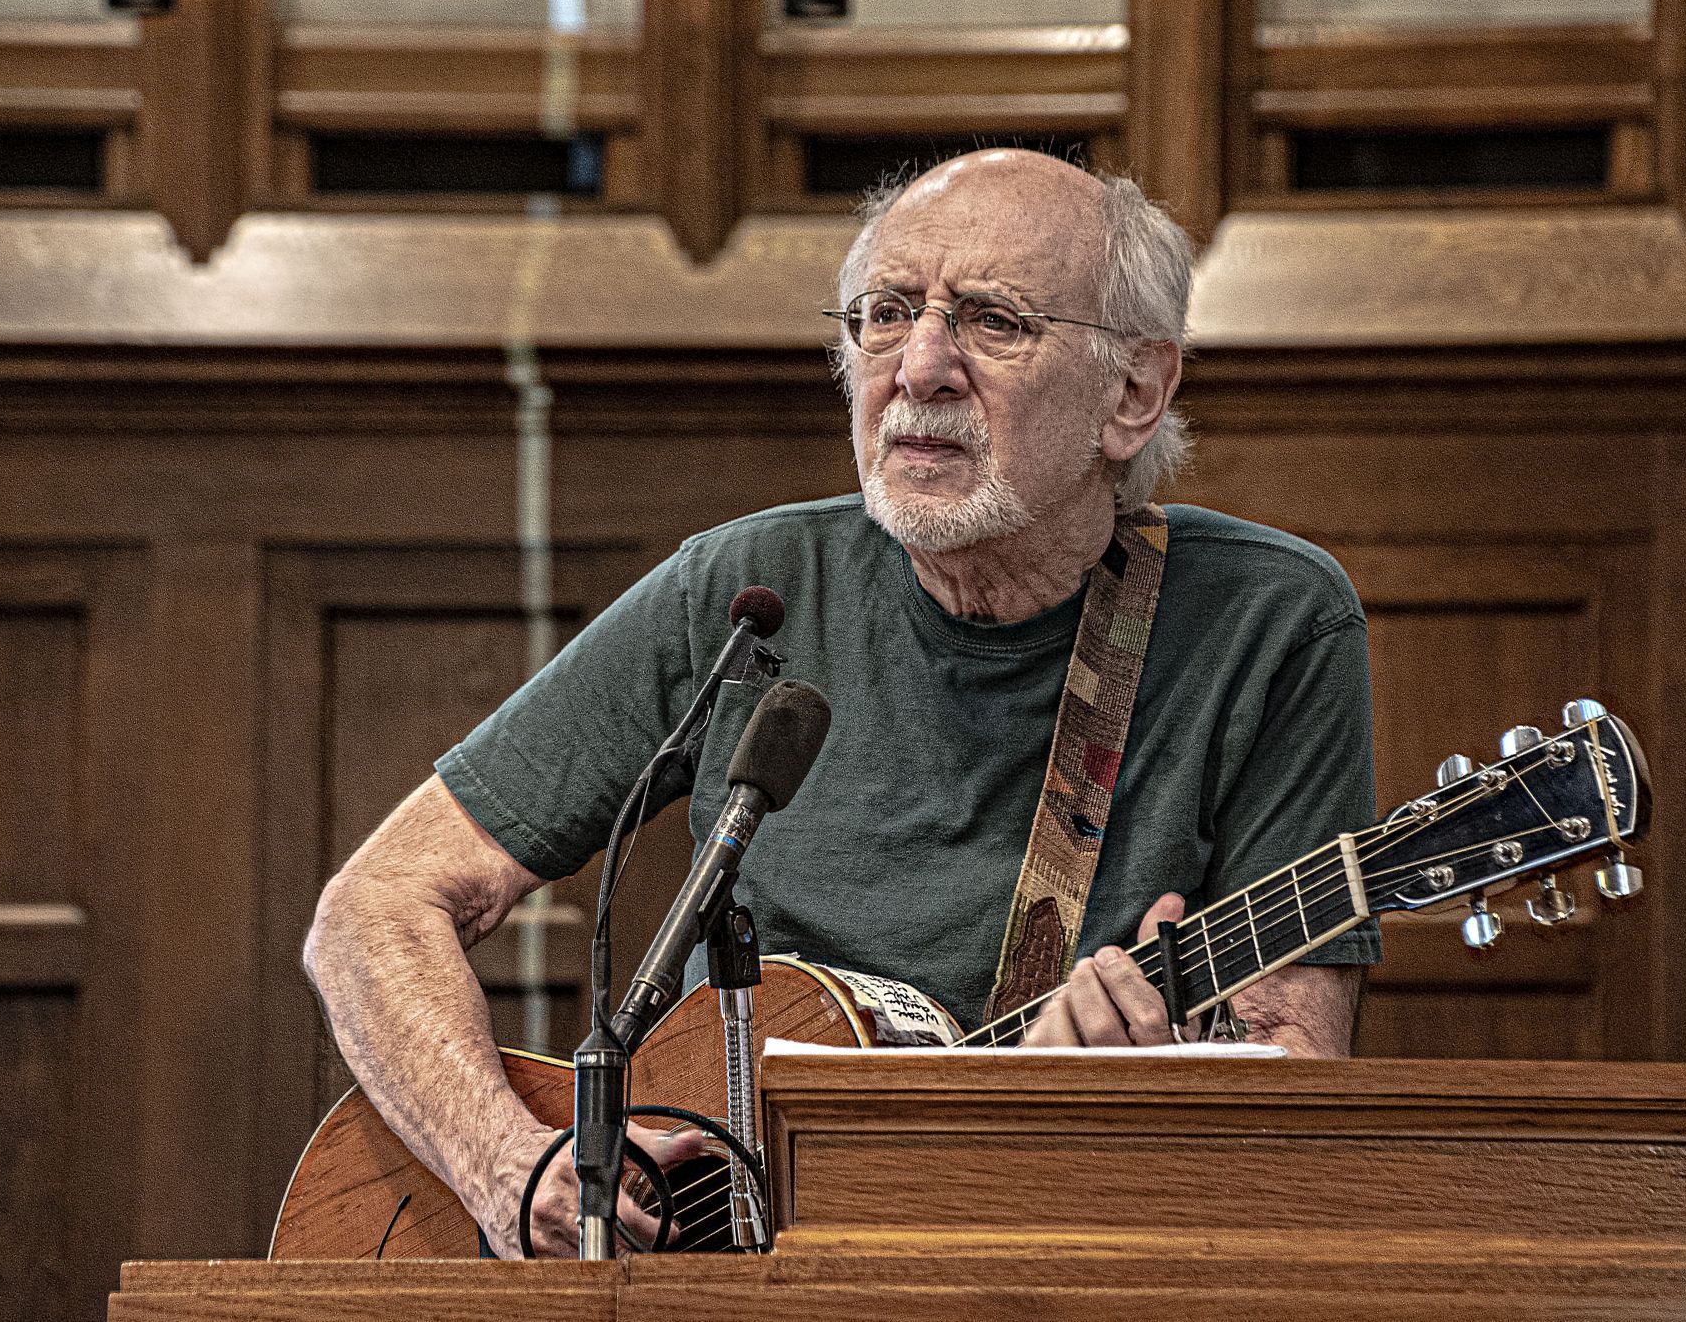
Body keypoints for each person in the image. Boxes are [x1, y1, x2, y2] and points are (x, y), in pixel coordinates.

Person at [303, 148, 1379, 1259]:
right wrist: (500, 1159)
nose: (920, 368)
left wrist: (1127, 1101)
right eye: (885, 314)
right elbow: (374, 908)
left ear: (1136, 391)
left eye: (994, 322)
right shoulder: (745, 593)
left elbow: (1291, 1076)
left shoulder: (1271, 622)